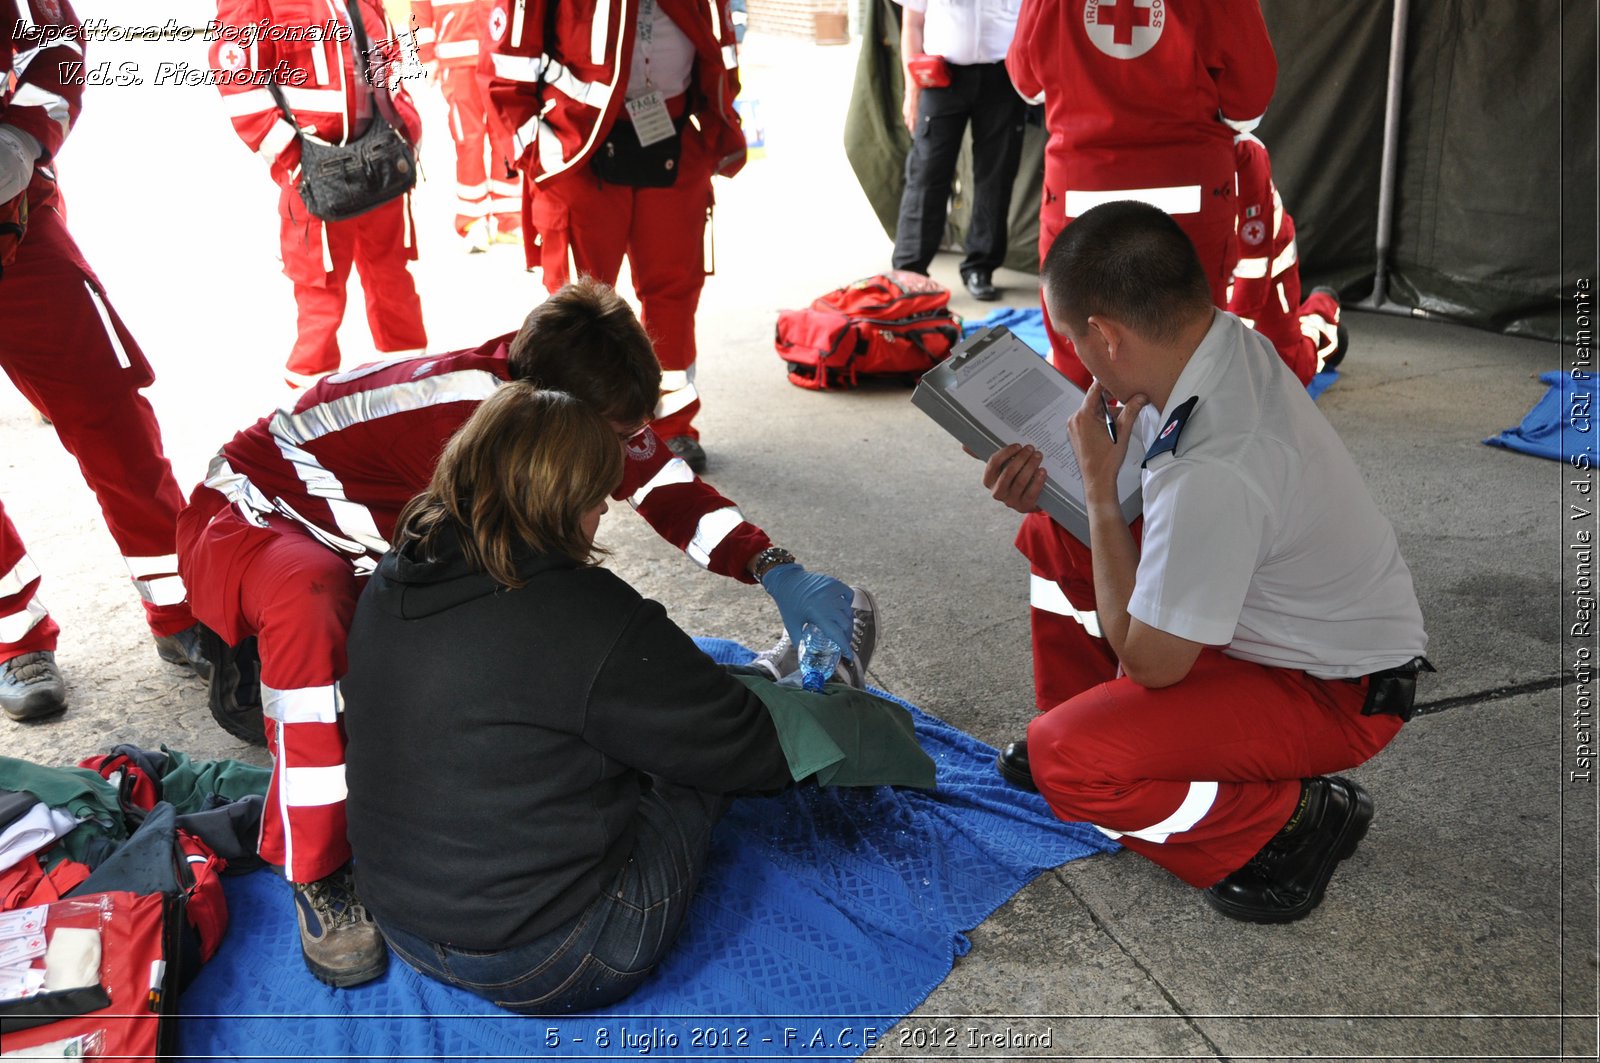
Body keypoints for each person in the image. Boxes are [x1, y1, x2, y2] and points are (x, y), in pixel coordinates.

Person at [175, 280, 874, 987]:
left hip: (438, 907)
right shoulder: (458, 430)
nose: (611, 489)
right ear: (548, 418)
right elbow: (523, 628)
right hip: (256, 513)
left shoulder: (550, 398)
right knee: (319, 605)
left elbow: (657, 477)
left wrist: (769, 562)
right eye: (608, 450)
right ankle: (315, 870)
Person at [982, 202, 1429, 922]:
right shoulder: (1218, 344)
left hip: (1332, 694)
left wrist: (1097, 490)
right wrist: (1068, 494)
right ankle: (1092, 720)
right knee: (1052, 531)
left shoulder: (1215, 461)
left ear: (1105, 335)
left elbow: (1154, 661)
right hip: (1285, 637)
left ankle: (1287, 816)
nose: (1078, 361)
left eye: (1074, 341)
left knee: (1067, 763)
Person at [341, 385, 842, 1013]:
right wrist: (807, 710)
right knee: (690, 759)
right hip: (556, 957)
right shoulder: (591, 616)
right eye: (597, 495)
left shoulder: (396, 570)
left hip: (401, 920)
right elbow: (755, 755)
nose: (605, 510)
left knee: (607, 710)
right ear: (561, 499)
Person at [1, 0, 208, 723]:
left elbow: (52, 38)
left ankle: (185, 611)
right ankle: (12, 638)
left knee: (110, 414)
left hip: (14, 223)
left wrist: (19, 142)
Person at [484, 0, 746, 473]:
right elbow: (508, 65)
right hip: (576, 150)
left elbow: (721, 48)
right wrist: (531, 151)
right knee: (577, 307)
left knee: (674, 292)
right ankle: (570, 435)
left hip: (672, 138)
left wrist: (720, 129)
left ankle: (670, 429)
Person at [1006, 0, 1277, 389]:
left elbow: (1027, 83)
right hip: (1190, 197)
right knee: (1193, 355)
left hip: (1080, 193)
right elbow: (1247, 104)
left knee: (1078, 361)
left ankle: (1081, 445)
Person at [208, 0, 428, 390]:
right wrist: (292, 160)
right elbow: (239, 81)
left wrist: (405, 124)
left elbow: (389, 55)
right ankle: (308, 405)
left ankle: (411, 388)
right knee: (320, 297)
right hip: (312, 171)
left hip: (381, 159)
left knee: (394, 283)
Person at [889, 0, 1026, 302]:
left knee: (997, 174)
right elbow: (912, 23)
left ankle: (980, 267)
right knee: (927, 172)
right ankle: (910, 271)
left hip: (1003, 76)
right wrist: (913, 90)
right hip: (940, 76)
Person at [1227, 131, 1345, 386]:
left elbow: (1254, 261)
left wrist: (1234, 339)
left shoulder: (1244, 153)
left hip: (1266, 265)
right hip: (1197, 268)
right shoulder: (1132, 132)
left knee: (1288, 375)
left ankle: (1321, 312)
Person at [410, 0, 522, 251]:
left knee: (504, 136)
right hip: (456, 60)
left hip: (500, 55)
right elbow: (419, 8)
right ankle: (473, 220)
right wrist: (425, 55)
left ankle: (508, 218)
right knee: (467, 140)